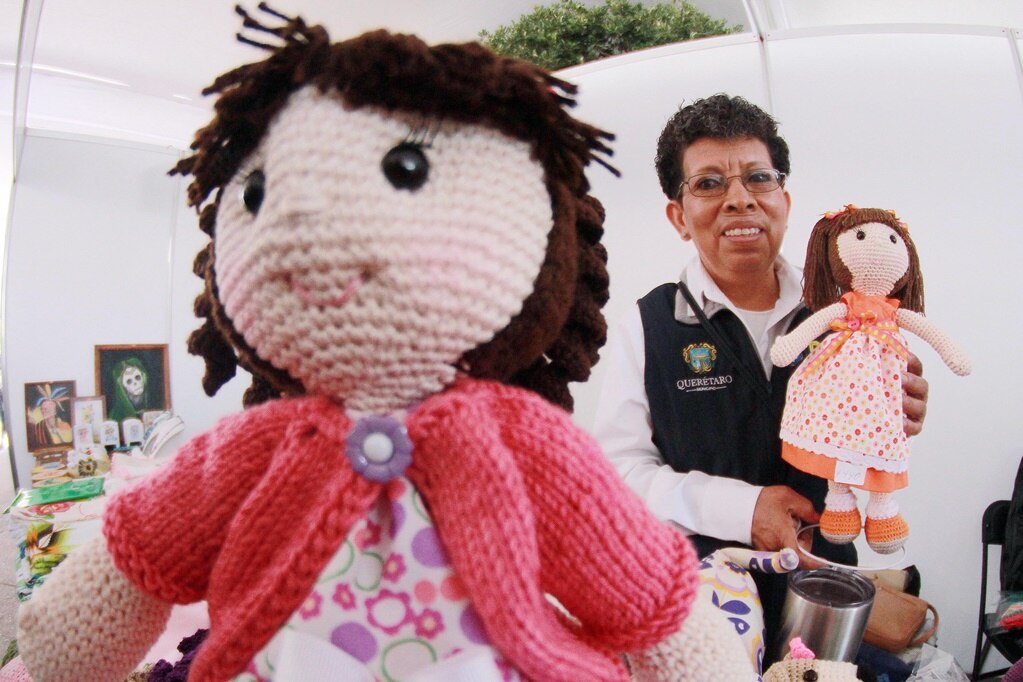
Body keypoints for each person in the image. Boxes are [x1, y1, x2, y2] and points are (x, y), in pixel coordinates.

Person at [592, 93, 929, 661]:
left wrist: (897, 419)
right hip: (703, 597)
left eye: (758, 178)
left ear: (783, 199)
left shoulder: (843, 316)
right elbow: (619, 474)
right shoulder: (648, 326)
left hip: (823, 585)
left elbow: (868, 435)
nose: (739, 199)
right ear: (678, 215)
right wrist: (744, 508)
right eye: (708, 184)